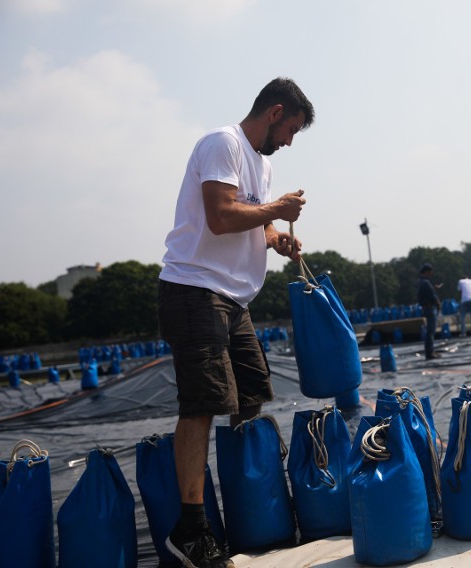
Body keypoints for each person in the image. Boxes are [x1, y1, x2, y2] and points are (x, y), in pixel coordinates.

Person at [157, 77, 314, 568]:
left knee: (250, 396)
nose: (288, 141)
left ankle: (248, 509)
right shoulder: (222, 142)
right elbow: (222, 216)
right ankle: (191, 529)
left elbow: (252, 220)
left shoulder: (261, 165)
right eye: (289, 129)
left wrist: (274, 236)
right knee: (203, 404)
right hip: (194, 289)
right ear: (274, 113)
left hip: (233, 297)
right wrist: (278, 210)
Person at [417, 263, 441, 359]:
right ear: (427, 272)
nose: (431, 274)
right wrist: (438, 303)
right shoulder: (426, 283)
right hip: (430, 308)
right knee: (431, 331)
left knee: (429, 331)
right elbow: (432, 296)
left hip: (425, 308)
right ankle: (430, 353)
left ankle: (430, 352)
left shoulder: (420, 282)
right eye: (430, 272)